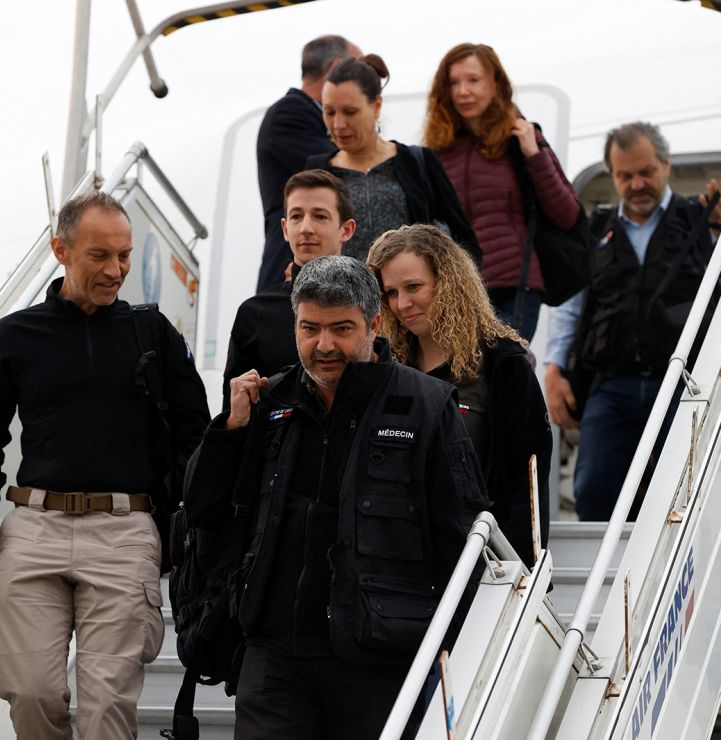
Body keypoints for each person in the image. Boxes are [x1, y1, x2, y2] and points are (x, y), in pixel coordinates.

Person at [184, 255, 489, 739]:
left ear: (372, 325)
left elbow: (464, 535)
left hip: (382, 655)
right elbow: (203, 507)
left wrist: (456, 650)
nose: (324, 345)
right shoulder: (271, 401)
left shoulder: (428, 406)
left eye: (341, 329)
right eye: (310, 328)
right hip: (273, 650)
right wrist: (229, 430)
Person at [0, 192, 211, 739]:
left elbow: (196, 431)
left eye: (125, 255)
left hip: (125, 532)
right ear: (60, 250)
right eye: (100, 256)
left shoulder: (153, 333)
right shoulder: (14, 337)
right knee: (31, 692)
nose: (116, 270)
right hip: (34, 529)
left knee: (105, 708)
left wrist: (169, 512)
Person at [544, 122, 721, 521]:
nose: (636, 184)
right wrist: (554, 369)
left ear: (666, 165)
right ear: (613, 176)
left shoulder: (703, 219)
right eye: (624, 175)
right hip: (611, 384)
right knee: (593, 489)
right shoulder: (597, 229)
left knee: (687, 490)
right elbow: (569, 307)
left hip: (684, 385)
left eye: (646, 172)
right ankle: (607, 580)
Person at [367, 223, 551, 567]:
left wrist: (520, 571)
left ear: (448, 282)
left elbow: (526, 483)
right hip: (397, 566)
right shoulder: (385, 368)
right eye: (390, 292)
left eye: (414, 287)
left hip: (479, 563)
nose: (402, 304)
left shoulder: (504, 365)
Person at [423, 43, 582, 341]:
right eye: (454, 83)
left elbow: (567, 214)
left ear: (495, 83)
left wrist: (534, 155)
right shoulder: (439, 148)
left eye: (473, 80)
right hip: (458, 290)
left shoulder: (519, 135)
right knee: (466, 383)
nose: (463, 91)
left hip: (514, 287)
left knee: (500, 375)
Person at [306, 55, 482, 264]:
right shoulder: (316, 171)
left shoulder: (418, 161)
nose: (338, 124)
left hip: (408, 295)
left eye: (350, 112)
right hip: (342, 295)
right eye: (329, 112)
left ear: (376, 106)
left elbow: (465, 241)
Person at [223, 169, 356, 406]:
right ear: (285, 229)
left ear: (346, 230)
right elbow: (232, 414)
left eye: (320, 216)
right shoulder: (254, 313)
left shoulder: (373, 305)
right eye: (296, 216)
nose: (306, 228)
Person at [256, 35, 361, 291]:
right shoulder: (290, 114)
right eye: (360, 70)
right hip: (293, 275)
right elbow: (345, 172)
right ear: (336, 69)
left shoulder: (306, 116)